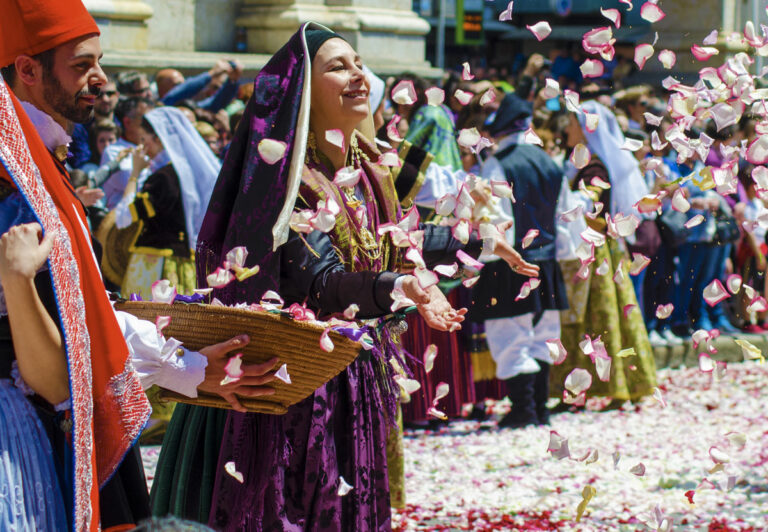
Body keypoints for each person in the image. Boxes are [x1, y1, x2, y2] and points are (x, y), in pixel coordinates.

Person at [151, 23, 537, 530]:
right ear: (304, 90)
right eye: (338, 66)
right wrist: (401, 287)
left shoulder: (372, 170)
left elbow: (399, 242)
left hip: (351, 377)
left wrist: (481, 242)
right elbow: (322, 283)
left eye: (359, 64)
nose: (358, 76)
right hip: (293, 390)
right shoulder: (286, 181)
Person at [0, 1, 277, 528]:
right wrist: (187, 367)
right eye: (82, 65)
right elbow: (55, 357)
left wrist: (189, 366)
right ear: (28, 70)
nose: (101, 79)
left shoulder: (39, 160)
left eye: (98, 61)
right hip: (20, 432)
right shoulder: (13, 177)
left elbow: (82, 317)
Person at [469, 93, 570, 428]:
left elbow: (499, 220)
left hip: (512, 262)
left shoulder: (501, 162)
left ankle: (524, 410)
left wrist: (487, 255)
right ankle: (539, 409)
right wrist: (563, 253)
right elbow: (565, 216)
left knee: (509, 336)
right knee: (543, 335)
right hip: (548, 261)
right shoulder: (551, 162)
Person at [549, 100, 658, 404]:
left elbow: (591, 211)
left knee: (596, 321)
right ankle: (593, 387)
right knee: (594, 323)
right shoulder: (581, 165)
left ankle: (605, 387)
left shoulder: (594, 168)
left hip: (594, 253)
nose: (567, 129)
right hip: (594, 250)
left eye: (572, 123)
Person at [116, 107, 220, 301]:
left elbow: (123, 218)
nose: (143, 147)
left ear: (157, 139)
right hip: (184, 263)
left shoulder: (163, 178)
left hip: (156, 266)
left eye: (144, 140)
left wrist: (134, 174)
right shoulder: (189, 175)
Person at [100, 96, 154, 208]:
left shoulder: (155, 147)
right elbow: (135, 188)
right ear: (128, 122)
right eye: (145, 119)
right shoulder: (113, 152)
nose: (152, 124)